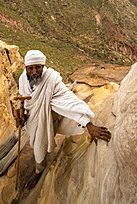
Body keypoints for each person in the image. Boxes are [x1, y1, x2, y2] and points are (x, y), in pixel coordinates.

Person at [18, 50, 111, 188]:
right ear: (26, 68)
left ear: (43, 66)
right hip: (33, 119)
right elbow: (25, 101)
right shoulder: (22, 80)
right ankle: (41, 156)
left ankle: (39, 170)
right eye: (31, 68)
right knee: (38, 140)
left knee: (40, 145)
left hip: (49, 118)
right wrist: (22, 115)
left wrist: (89, 125)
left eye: (38, 67)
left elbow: (69, 100)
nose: (34, 71)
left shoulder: (51, 80)